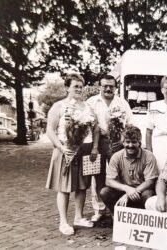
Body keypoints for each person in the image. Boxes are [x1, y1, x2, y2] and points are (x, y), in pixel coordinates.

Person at [45, 73, 99, 235]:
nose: (79, 89)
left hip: (85, 151)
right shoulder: (59, 106)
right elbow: (50, 130)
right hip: (66, 150)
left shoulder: (88, 107)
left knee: (82, 186)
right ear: (67, 88)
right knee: (64, 187)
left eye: (81, 86)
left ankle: (79, 217)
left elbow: (95, 128)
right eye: (75, 86)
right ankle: (63, 222)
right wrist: (62, 148)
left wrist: (95, 147)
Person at [86, 74, 135, 222]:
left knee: (118, 175)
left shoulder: (122, 103)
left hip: (118, 144)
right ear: (99, 86)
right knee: (98, 176)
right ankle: (99, 209)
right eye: (105, 86)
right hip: (97, 143)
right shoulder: (91, 102)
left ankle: (116, 208)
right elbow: (85, 123)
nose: (108, 88)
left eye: (111, 86)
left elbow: (130, 123)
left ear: (115, 87)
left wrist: (122, 137)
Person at [100, 125, 158, 214]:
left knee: (149, 194)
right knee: (105, 192)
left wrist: (130, 194)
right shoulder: (116, 156)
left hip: (141, 192)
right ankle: (117, 215)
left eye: (134, 142)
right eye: (127, 142)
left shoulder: (148, 156)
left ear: (139, 143)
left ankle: (143, 217)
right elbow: (109, 181)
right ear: (123, 143)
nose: (130, 145)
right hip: (123, 191)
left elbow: (150, 181)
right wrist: (126, 189)